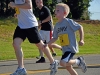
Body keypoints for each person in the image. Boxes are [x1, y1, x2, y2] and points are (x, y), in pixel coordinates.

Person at [8, 0, 59, 75]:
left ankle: (53, 62)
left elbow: (29, 6)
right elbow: (22, 8)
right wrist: (17, 13)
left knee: (40, 45)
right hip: (21, 25)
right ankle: (21, 68)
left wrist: (15, 5)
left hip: (30, 24)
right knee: (16, 44)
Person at [45, 3, 87, 75]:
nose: (55, 11)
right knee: (68, 67)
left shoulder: (68, 21)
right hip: (65, 49)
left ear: (64, 13)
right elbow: (55, 38)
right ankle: (78, 61)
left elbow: (80, 27)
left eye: (58, 10)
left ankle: (78, 61)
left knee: (62, 63)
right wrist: (47, 44)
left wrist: (81, 39)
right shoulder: (57, 25)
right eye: (55, 10)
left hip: (70, 48)